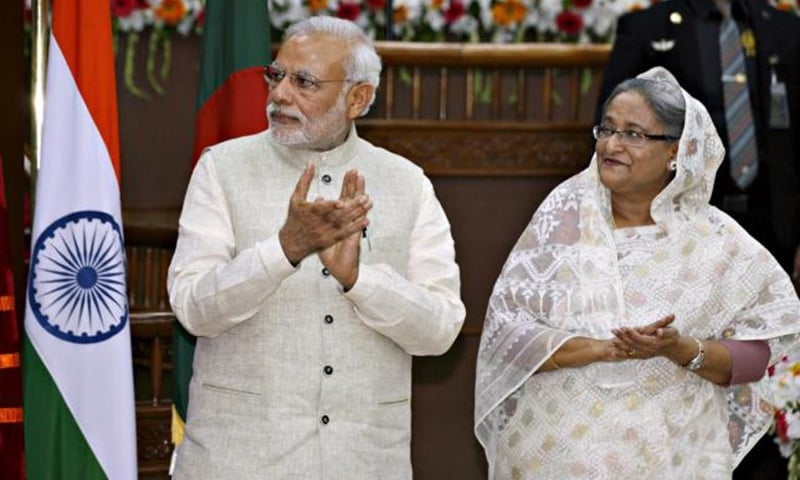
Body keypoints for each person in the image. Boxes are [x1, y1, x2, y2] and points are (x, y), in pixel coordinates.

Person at [167, 17, 466, 479]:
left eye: (304, 81)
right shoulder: (222, 170)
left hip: (364, 463)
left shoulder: (407, 183)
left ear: (358, 98)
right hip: (240, 461)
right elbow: (193, 308)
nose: (280, 94)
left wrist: (359, 280)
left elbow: (441, 328)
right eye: (277, 75)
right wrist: (283, 250)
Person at [474, 67, 800, 479]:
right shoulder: (563, 220)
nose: (613, 144)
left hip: (674, 454)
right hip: (555, 454)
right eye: (607, 129)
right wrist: (598, 349)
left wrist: (679, 348)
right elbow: (506, 335)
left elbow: (756, 359)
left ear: (676, 152)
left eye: (634, 134)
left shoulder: (717, 239)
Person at [598, 3, 800, 475]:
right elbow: (615, 140)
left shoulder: (786, 30)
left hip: (774, 229)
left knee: (769, 373)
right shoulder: (646, 27)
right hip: (676, 224)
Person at [597, 0, 800, 286]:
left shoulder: (786, 28)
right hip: (683, 222)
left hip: (775, 220)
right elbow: (612, 129)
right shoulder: (648, 28)